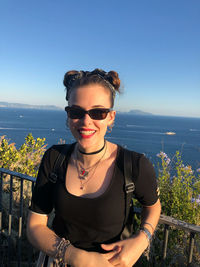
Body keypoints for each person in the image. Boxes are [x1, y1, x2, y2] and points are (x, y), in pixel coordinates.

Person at [27, 69, 161, 267]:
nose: (86, 121)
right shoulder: (54, 158)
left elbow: (153, 206)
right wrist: (77, 257)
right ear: (68, 114)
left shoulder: (134, 164)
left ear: (111, 117)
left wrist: (143, 238)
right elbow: (35, 226)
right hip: (58, 261)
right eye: (76, 112)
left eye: (98, 112)